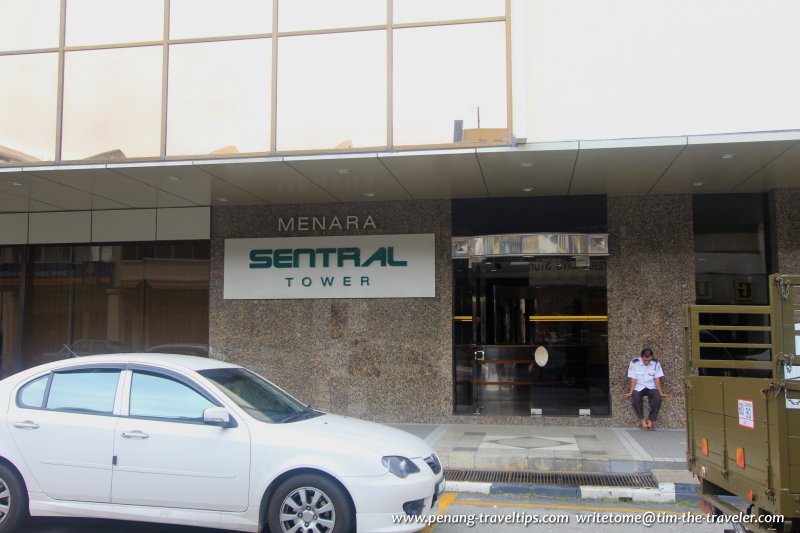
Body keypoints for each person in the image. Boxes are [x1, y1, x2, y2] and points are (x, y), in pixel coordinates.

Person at [624, 348, 670, 430]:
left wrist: (661, 392)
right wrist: (631, 392)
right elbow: (633, 379)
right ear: (641, 357)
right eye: (645, 360)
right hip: (639, 387)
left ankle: (651, 420)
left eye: (649, 360)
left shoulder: (656, 363)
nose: (647, 362)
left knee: (658, 398)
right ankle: (642, 420)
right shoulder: (635, 363)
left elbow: (657, 379)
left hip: (651, 387)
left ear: (651, 357)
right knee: (636, 398)